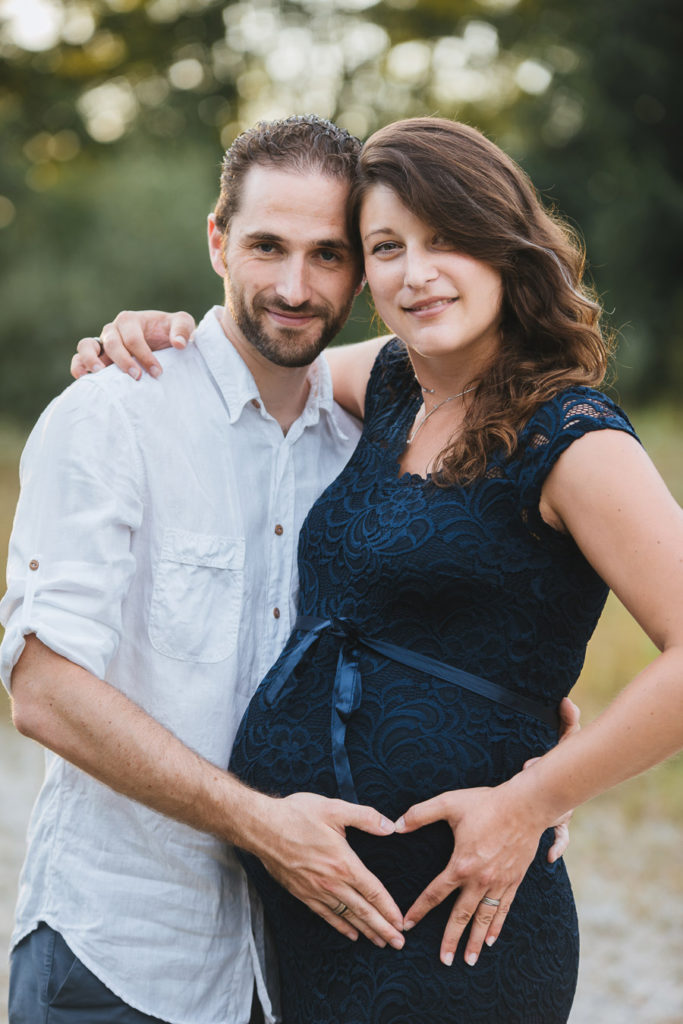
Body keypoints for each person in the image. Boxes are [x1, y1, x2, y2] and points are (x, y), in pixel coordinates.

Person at [80, 117, 683, 1024]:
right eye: (386, 248)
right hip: (318, 918)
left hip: (459, 922)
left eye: (448, 240)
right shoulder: (390, 383)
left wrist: (537, 797)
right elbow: (251, 359)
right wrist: (148, 337)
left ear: (505, 248)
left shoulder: (573, 437)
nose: (416, 273)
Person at [0, 115, 414, 1024]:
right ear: (218, 240)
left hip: (294, 968)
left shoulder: (364, 455)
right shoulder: (114, 414)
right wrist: (263, 826)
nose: (295, 287)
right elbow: (44, 690)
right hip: (115, 958)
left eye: (328, 255)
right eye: (267, 246)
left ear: (362, 271)